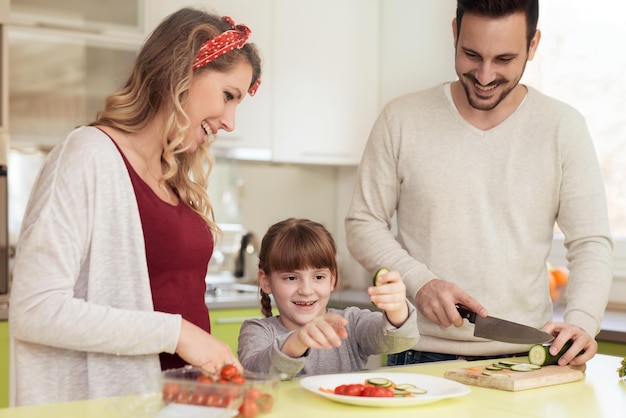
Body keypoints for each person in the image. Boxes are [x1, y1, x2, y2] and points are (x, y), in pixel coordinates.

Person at [8, 7, 262, 406]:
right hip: (112, 405)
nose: (230, 121)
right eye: (228, 95)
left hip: (179, 405)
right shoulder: (88, 155)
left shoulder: (173, 173)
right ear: (182, 71)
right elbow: (35, 309)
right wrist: (176, 332)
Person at [345, 0, 613, 367]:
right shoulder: (402, 118)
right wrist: (420, 282)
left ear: (533, 45)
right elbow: (363, 224)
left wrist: (582, 322)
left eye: (504, 59)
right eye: (472, 54)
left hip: (527, 359)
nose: (485, 76)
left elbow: (591, 242)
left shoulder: (562, 127)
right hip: (418, 355)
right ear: (454, 33)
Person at [237, 218, 419, 378]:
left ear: (333, 280)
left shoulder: (350, 324)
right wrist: (298, 341)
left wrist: (397, 308)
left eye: (318, 277)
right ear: (266, 281)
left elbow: (400, 340)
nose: (306, 290)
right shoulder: (257, 331)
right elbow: (256, 375)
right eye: (291, 278)